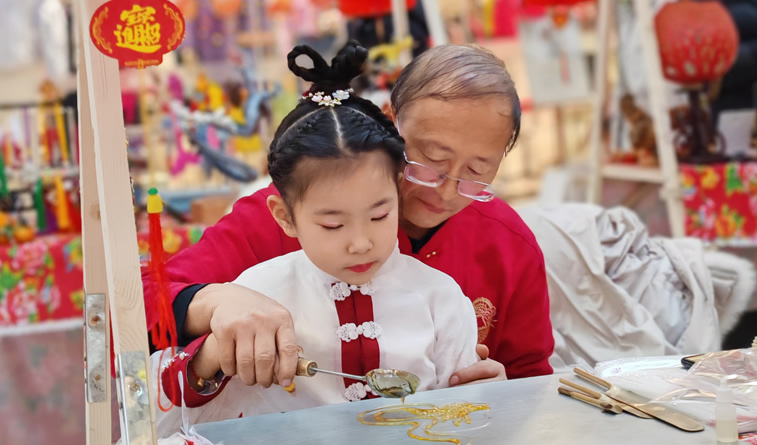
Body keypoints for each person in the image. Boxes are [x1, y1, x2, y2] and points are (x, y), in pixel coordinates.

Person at [142, 41, 554, 392]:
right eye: (431, 159)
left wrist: (502, 397)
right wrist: (215, 302)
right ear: (390, 125)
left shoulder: (508, 244)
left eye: (477, 172)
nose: (446, 189)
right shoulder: (290, 212)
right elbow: (138, 304)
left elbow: (531, 379)